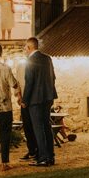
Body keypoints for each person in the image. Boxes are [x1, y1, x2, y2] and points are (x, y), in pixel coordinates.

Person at [22, 37, 58, 167]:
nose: (24, 50)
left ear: (29, 47)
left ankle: (43, 158)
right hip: (48, 98)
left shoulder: (30, 61)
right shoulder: (47, 59)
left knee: (38, 128)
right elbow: (53, 77)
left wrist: (25, 100)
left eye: (25, 47)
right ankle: (50, 156)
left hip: (35, 100)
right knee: (47, 126)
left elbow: (29, 82)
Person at [0, 42, 22, 171]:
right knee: (5, 135)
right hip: (4, 108)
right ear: (0, 53)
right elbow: (14, 84)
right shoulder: (5, 68)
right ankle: (5, 163)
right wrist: (18, 96)